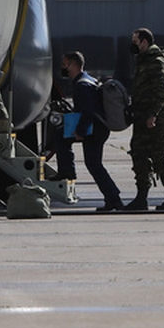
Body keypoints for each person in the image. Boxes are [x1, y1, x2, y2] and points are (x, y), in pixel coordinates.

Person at [123, 28, 164, 211]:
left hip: (154, 119)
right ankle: (141, 198)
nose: (133, 44)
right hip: (141, 116)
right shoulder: (143, 60)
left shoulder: (156, 62)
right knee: (138, 154)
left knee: (158, 157)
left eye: (135, 41)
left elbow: (161, 91)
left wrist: (153, 115)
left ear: (144, 42)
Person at [60, 52, 124, 212]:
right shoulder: (88, 79)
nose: (63, 68)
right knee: (94, 164)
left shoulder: (81, 85)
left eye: (64, 64)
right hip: (98, 128)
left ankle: (113, 198)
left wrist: (80, 131)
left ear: (72, 65)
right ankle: (112, 198)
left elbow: (88, 111)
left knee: (93, 164)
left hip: (95, 130)